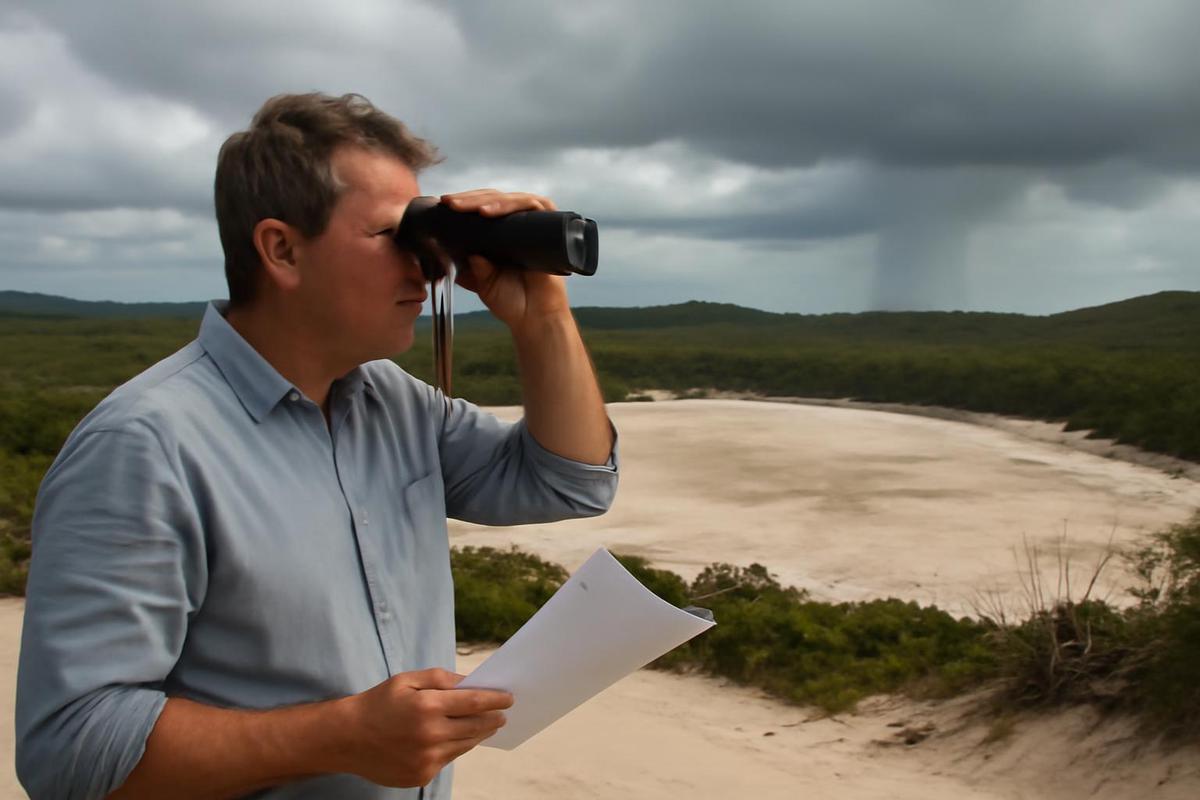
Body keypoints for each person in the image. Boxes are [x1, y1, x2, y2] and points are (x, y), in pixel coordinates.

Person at [15, 92, 619, 800]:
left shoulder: (391, 404)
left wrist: (542, 311)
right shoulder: (146, 448)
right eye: (397, 235)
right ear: (282, 249)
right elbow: (73, 749)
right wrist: (339, 736)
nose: (427, 268)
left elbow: (569, 479)